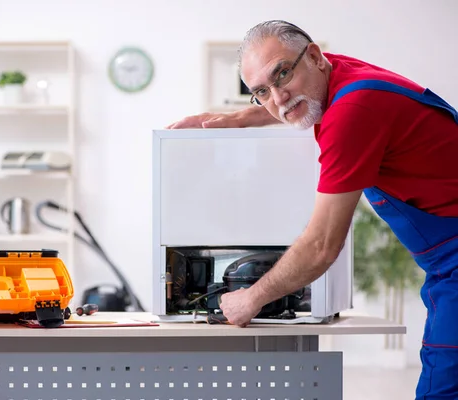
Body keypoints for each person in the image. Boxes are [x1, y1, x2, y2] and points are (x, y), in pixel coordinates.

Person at [167, 20, 458, 400]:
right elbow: (291, 102)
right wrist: (236, 119)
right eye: (260, 92)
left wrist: (252, 298)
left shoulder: (353, 111)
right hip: (445, 262)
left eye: (281, 74)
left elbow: (321, 245)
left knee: (443, 388)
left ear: (315, 57)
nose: (277, 97)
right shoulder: (333, 75)